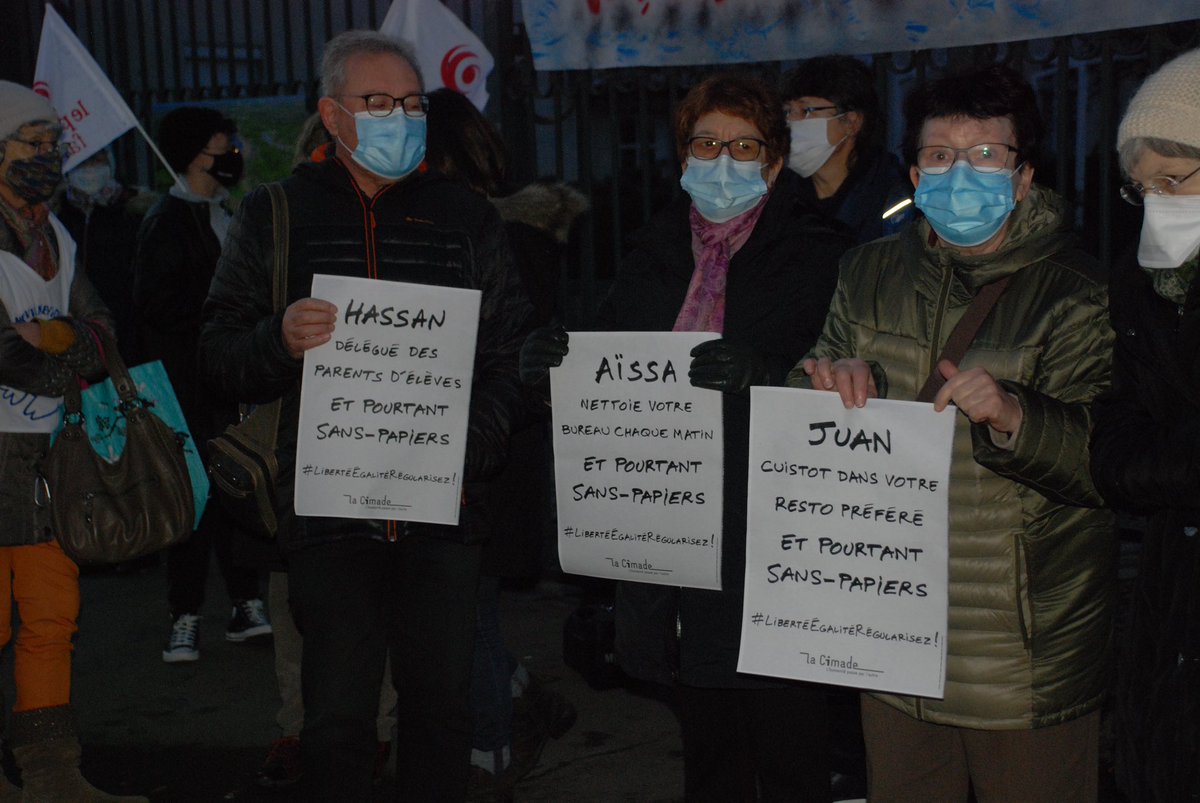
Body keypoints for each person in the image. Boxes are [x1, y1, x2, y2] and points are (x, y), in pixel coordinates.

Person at [198, 30, 532, 801]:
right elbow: (215, 353)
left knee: (441, 715)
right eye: (377, 102)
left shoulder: (466, 217)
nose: (400, 118)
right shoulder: (273, 214)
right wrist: (277, 338)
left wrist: (463, 456)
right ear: (333, 116)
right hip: (328, 515)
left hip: (444, 514)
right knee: (339, 719)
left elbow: (512, 357)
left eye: (411, 103)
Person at [790, 64, 1115, 802]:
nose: (959, 172)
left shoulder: (1077, 292)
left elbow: (1101, 460)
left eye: (987, 154)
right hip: (889, 630)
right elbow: (805, 394)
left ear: (1025, 176)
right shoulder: (866, 270)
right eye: (940, 155)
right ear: (913, 170)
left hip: (1018, 654)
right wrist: (827, 377)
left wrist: (1013, 415)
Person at [521, 72, 850, 802]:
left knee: (791, 748)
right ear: (682, 154)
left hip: (773, 539)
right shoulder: (656, 249)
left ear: (772, 160)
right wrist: (553, 368)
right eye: (706, 142)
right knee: (709, 750)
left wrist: (766, 374)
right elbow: (606, 370)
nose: (722, 160)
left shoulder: (820, 253)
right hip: (677, 537)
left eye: (743, 144)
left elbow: (853, 372)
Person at [425, 86, 585, 799]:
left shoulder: (484, 235)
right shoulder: (521, 230)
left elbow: (503, 348)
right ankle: (522, 693)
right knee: (474, 601)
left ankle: (490, 748)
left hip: (483, 447)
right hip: (501, 447)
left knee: (468, 609)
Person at [0, 80, 147, 802]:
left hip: (49, 462)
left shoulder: (56, 234)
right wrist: (60, 341)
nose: (52, 156)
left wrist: (51, 333)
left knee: (53, 617)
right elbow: (9, 354)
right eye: (35, 144)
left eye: (55, 143)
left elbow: (103, 333)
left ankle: (53, 777)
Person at [254, 111, 398, 791]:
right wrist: (280, 333)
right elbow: (226, 341)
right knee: (299, 610)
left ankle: (374, 733)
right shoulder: (277, 224)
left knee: (379, 609)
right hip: (303, 458)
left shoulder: (413, 220)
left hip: (393, 453)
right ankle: (304, 728)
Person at [1089, 47, 1200, 803]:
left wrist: (1157, 462)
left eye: (1174, 180)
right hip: (1174, 582)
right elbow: (1117, 427)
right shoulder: (1142, 284)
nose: (1157, 201)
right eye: (1142, 187)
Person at [133, 106, 271, 664]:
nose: (232, 154)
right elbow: (157, 308)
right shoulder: (167, 221)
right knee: (191, 498)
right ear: (194, 154)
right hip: (185, 387)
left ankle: (244, 603)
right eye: (222, 146)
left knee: (235, 489)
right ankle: (184, 615)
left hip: (224, 384)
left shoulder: (225, 212)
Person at [780, 54, 913, 244]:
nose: (791, 122)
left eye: (806, 111)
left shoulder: (893, 198)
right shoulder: (779, 196)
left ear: (851, 122)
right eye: (787, 111)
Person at [56, 148, 153, 361]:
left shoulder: (136, 210)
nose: (89, 169)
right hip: (76, 333)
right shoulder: (54, 217)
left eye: (97, 159)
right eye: (81, 162)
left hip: (130, 334)